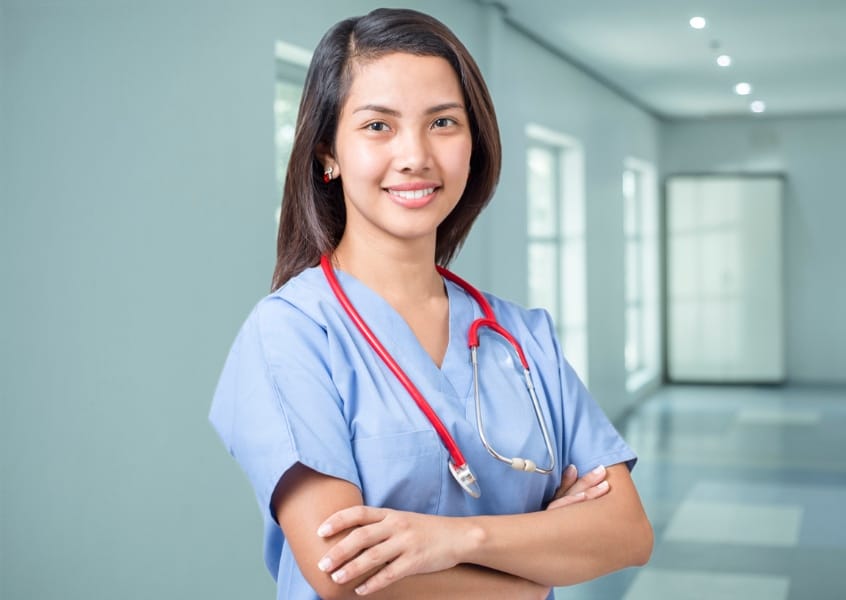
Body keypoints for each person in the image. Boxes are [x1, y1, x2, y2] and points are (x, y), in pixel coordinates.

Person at [210, 7, 652, 600]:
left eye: (443, 122)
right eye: (378, 126)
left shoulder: (521, 337)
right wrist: (533, 567)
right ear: (327, 155)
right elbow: (343, 571)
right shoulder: (292, 333)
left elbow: (626, 532)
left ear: (474, 142)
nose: (415, 155)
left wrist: (454, 542)